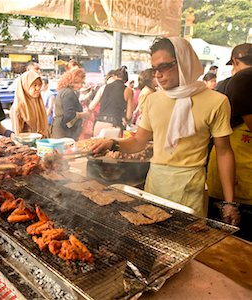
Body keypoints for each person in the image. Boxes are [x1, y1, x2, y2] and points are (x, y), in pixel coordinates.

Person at [92, 37, 237, 222]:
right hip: (155, 183)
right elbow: (138, 142)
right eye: (154, 69)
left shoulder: (216, 102)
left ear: (184, 62)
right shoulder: (153, 101)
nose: (158, 75)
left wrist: (230, 202)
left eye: (164, 67)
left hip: (190, 186)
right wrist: (112, 143)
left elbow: (224, 152)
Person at [207, 43, 252, 241]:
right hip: (240, 177)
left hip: (222, 175)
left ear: (235, 61)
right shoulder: (244, 80)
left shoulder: (225, 84)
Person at [93, 66, 134, 136]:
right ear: (126, 80)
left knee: (96, 146)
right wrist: (125, 119)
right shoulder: (128, 90)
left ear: (114, 76)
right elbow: (129, 116)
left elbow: (91, 106)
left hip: (98, 124)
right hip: (113, 126)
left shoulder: (103, 87)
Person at [50, 68, 90, 140]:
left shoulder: (63, 91)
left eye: (82, 83)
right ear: (71, 82)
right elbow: (69, 114)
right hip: (63, 132)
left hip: (58, 127)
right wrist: (83, 115)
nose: (81, 86)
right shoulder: (69, 93)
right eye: (78, 83)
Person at [11, 70, 49, 137]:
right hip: (26, 145)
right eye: (34, 85)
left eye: (39, 85)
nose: (38, 88)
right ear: (25, 86)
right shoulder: (18, 108)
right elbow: (17, 135)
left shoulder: (39, 102)